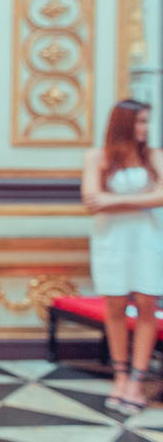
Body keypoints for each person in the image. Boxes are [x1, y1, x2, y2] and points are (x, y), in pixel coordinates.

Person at [81, 99, 163, 415]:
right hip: (111, 241)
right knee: (114, 307)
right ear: (125, 124)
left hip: (148, 241)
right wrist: (144, 201)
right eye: (141, 121)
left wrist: (112, 200)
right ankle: (119, 375)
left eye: (147, 121)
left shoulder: (154, 157)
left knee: (146, 307)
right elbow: (91, 201)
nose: (145, 128)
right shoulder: (97, 158)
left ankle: (137, 381)